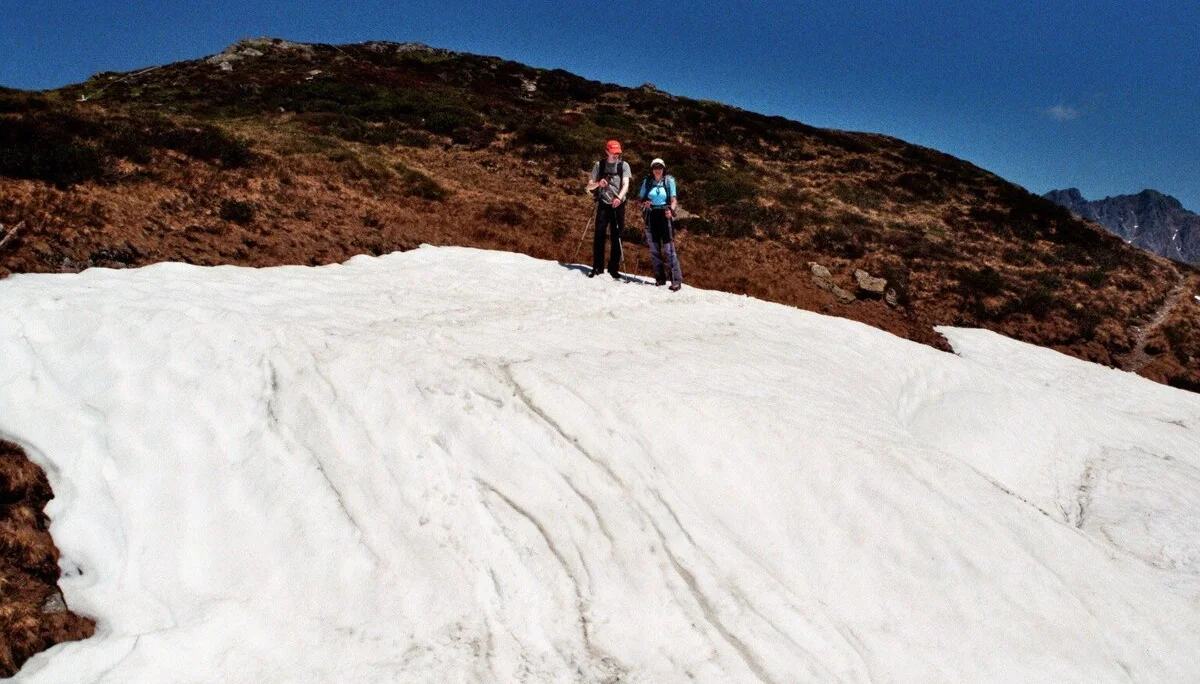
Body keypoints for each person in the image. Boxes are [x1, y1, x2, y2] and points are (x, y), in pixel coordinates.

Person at [584, 140, 631, 279]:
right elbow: (588, 186)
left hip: (618, 205)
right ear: (607, 151)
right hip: (603, 204)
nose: (616, 155)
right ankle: (597, 267)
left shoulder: (624, 165)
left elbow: (626, 184)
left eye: (618, 152)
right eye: (613, 152)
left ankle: (613, 269)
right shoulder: (599, 165)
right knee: (599, 235)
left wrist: (619, 198)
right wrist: (599, 183)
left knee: (617, 237)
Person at [638, 158, 683, 290]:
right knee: (654, 248)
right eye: (655, 168)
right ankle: (660, 278)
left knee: (669, 249)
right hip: (651, 215)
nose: (658, 170)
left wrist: (671, 211)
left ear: (664, 169)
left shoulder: (669, 181)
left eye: (660, 168)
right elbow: (641, 199)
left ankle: (676, 280)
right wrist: (644, 203)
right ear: (652, 169)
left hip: (665, 214)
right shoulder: (647, 182)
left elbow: (673, 199)